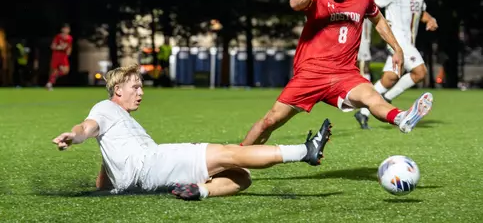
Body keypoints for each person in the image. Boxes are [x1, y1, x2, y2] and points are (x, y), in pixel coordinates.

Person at [52, 64, 332, 201]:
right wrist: (73, 136)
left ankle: (200, 191)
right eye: (135, 87)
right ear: (118, 91)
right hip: (152, 164)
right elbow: (86, 128)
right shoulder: (104, 107)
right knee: (230, 153)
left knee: (241, 176)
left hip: (148, 174)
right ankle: (306, 151)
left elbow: (106, 158)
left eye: (141, 86)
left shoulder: (121, 122)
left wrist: (104, 190)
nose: (141, 92)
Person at [240, 0, 434, 147]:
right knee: (269, 122)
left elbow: (378, 20)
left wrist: (397, 48)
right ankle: (234, 160)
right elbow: (294, 3)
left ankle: (402, 118)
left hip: (345, 74)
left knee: (372, 97)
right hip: (311, 73)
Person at [354, 0, 438, 128]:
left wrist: (429, 19)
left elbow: (420, 12)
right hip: (397, 41)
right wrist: (383, 23)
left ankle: (362, 112)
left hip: (409, 41)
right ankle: (388, 98)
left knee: (390, 78)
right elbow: (372, 7)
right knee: (420, 72)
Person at [46, 24, 73, 90]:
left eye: (67, 29)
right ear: (62, 29)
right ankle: (50, 84)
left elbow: (69, 46)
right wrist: (59, 48)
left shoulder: (69, 38)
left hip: (63, 56)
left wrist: (68, 52)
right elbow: (52, 46)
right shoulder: (58, 37)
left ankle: (50, 82)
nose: (66, 30)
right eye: (65, 28)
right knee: (54, 70)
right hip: (57, 55)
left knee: (65, 71)